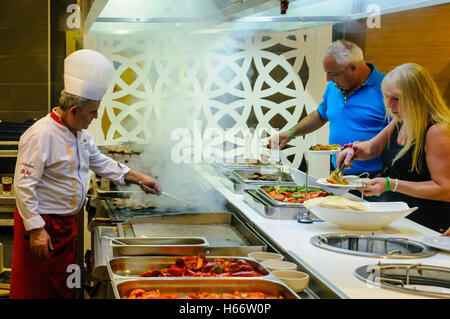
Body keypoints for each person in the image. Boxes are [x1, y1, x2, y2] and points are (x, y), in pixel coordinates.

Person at [10, 49, 162, 299]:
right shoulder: (40, 135)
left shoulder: (80, 134)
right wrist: (36, 229)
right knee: (36, 290)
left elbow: (99, 161)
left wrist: (139, 178)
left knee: (64, 288)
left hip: (66, 226)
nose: (96, 116)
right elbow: (23, 186)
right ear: (73, 109)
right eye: (92, 112)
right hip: (41, 226)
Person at [337, 63, 450, 233]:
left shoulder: (437, 131)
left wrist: (392, 184)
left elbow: (445, 189)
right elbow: (372, 148)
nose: (389, 105)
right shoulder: (401, 121)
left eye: (396, 99)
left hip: (425, 225)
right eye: (386, 97)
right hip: (398, 219)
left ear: (417, 98)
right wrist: (353, 150)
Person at [270, 40, 389, 177]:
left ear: (353, 68)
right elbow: (321, 115)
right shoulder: (334, 86)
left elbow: (398, 135)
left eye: (333, 73)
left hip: (375, 177)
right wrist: (291, 134)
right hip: (339, 174)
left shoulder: (387, 89)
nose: (328, 79)